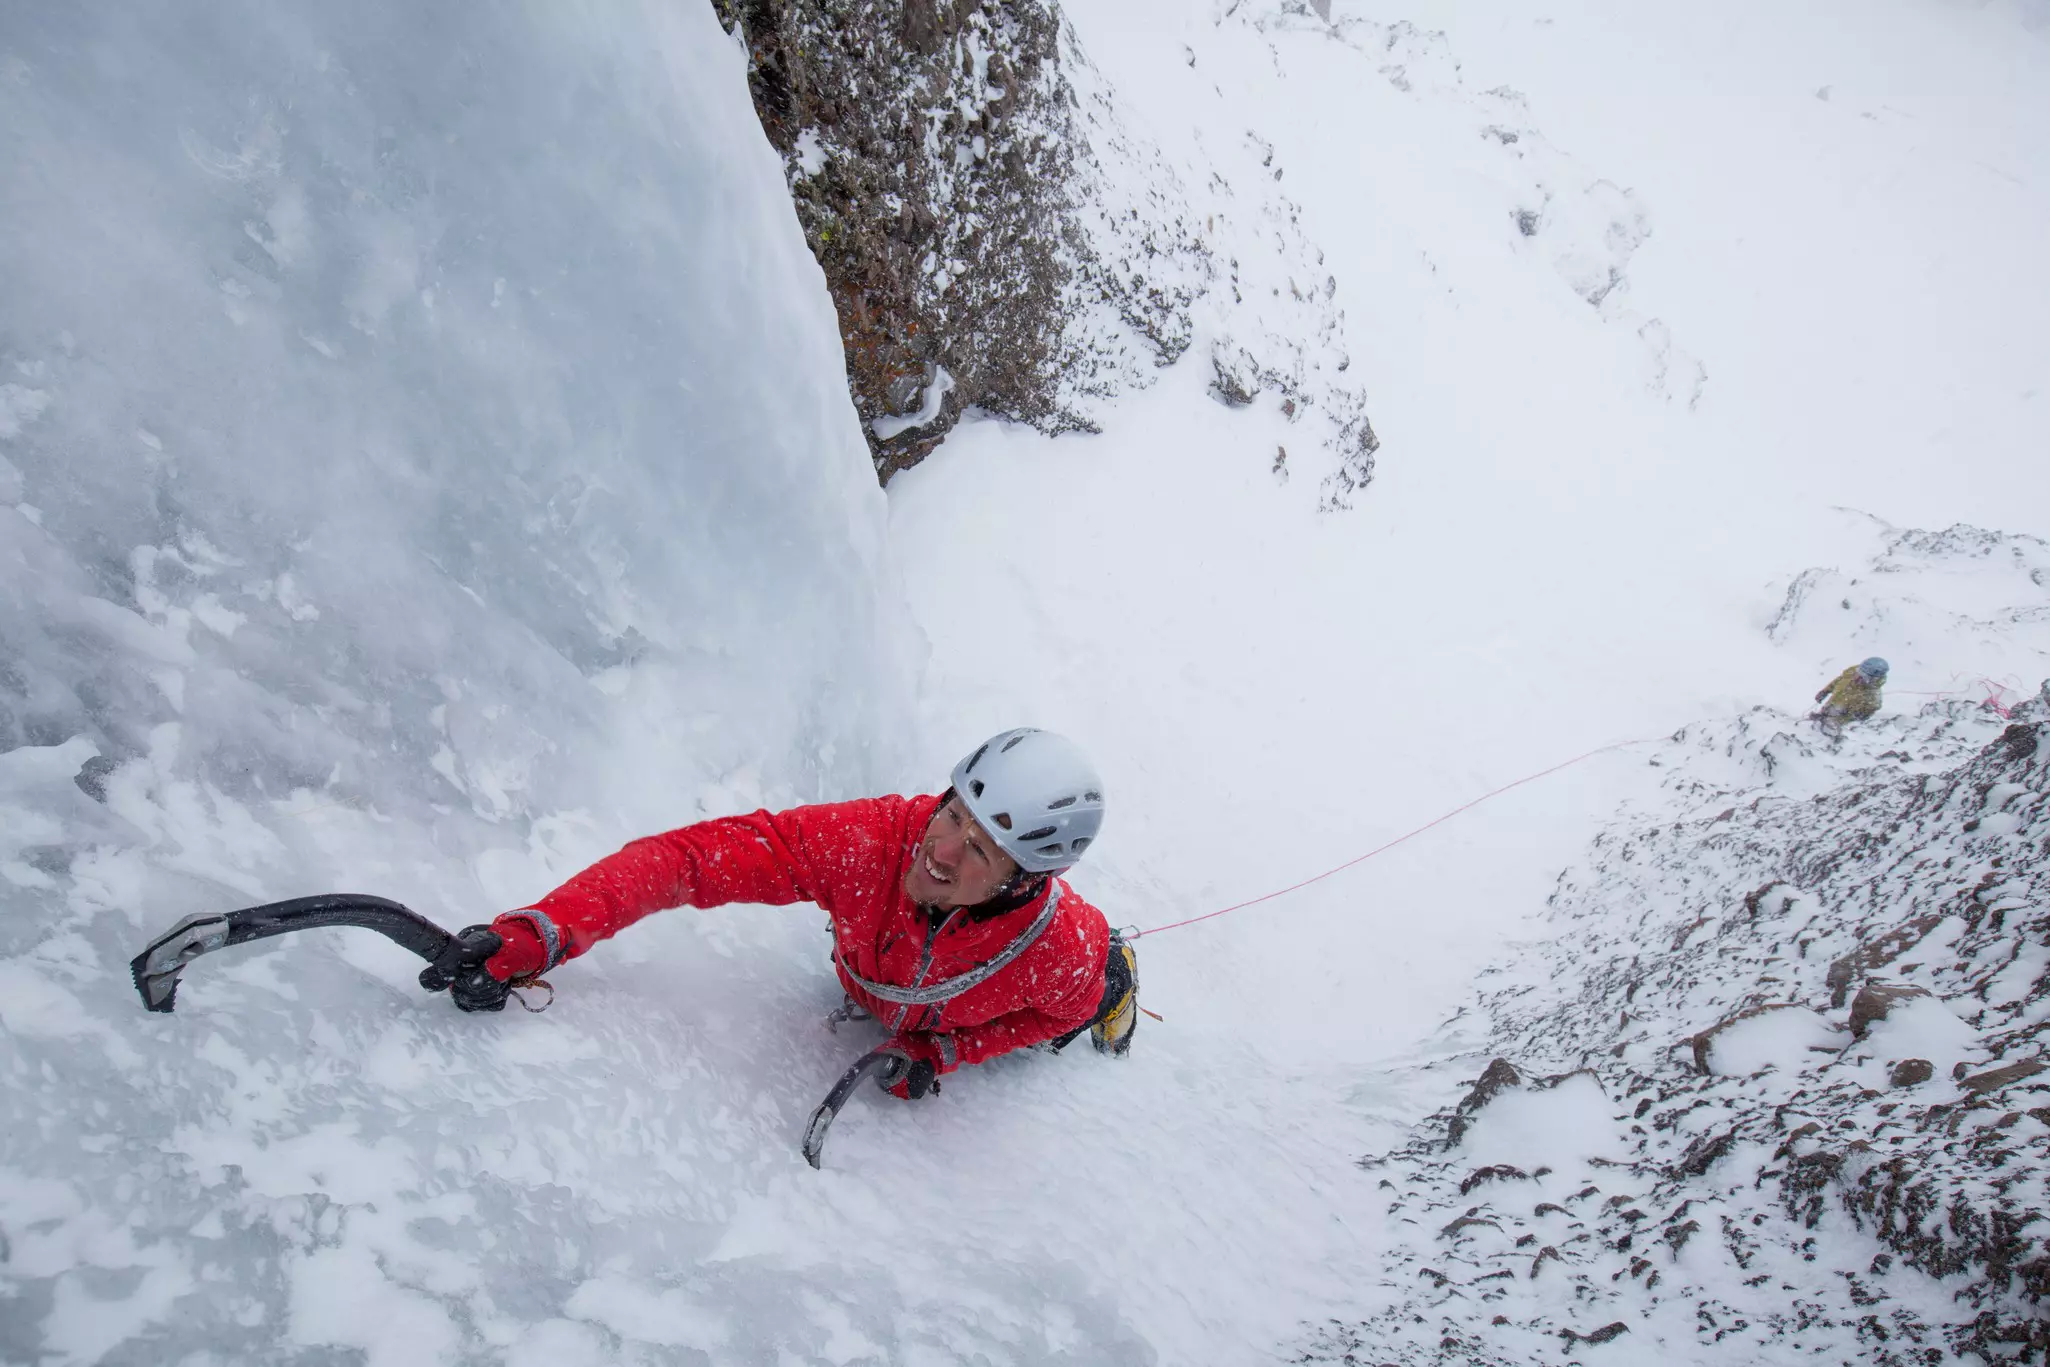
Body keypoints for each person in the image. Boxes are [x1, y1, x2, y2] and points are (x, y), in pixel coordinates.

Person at [426, 727, 1139, 1099]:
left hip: (1056, 980)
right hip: (891, 989)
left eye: (980, 849)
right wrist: (546, 930)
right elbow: (690, 860)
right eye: (952, 812)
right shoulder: (873, 841)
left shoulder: (1059, 947)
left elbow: (1052, 1014)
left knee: (1093, 997)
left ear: (1023, 879)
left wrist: (945, 1051)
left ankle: (1125, 978)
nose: (941, 851)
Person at [1812, 657, 1888, 732]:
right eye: (1859, 672)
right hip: (1828, 709)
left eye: (1864, 677)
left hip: (1838, 728)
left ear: (1874, 679)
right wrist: (1825, 691)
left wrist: (1830, 720)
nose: (1857, 678)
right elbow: (1839, 680)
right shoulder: (1851, 673)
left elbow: (1854, 719)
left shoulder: (1872, 700)